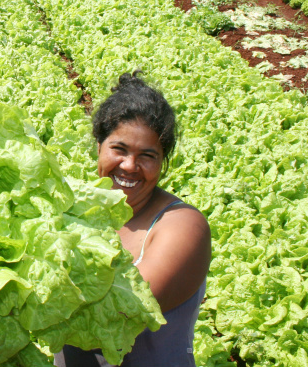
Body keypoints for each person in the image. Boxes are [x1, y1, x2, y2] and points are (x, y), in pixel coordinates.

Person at [56, 71, 211, 367]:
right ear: (99, 146)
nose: (129, 166)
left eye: (147, 155)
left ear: (163, 161)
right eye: (119, 149)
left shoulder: (182, 225)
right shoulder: (77, 208)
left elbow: (126, 307)